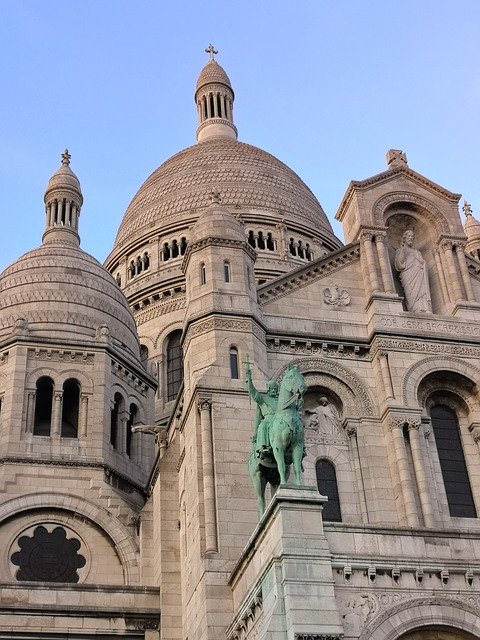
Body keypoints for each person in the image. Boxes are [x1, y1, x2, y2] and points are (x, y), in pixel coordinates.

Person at [245, 362, 278, 461]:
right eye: (272, 389)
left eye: (275, 389)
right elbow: (253, 391)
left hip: (279, 419)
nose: (273, 391)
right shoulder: (263, 399)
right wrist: (249, 378)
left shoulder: (280, 400)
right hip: (268, 420)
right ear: (268, 389)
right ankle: (263, 448)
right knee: (263, 425)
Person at [394, 230, 432, 312]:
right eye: (409, 236)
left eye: (412, 237)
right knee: (412, 293)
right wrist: (403, 251)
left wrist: (423, 263)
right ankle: (415, 309)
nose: (410, 238)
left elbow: (422, 262)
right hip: (408, 275)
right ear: (404, 238)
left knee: (422, 291)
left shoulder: (417, 252)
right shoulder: (400, 250)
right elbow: (399, 264)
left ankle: (425, 308)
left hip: (419, 274)